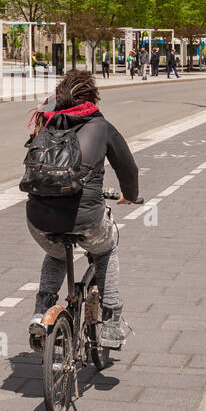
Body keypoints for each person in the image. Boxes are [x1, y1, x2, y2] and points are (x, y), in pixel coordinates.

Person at [25, 70, 140, 348]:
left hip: (38, 219)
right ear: (92, 98)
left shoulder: (46, 123)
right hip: (86, 218)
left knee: (56, 252)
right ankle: (112, 321)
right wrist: (130, 195)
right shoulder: (101, 127)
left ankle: (41, 312)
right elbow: (128, 168)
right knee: (106, 247)